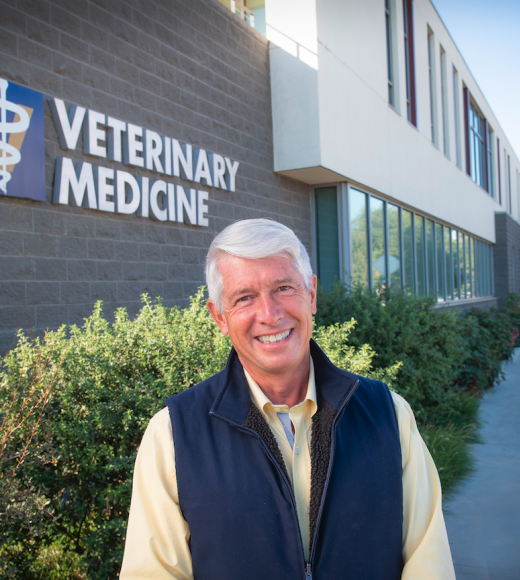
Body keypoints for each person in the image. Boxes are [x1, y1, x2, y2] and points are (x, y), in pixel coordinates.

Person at [120, 218, 455, 580]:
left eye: (283, 287)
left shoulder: (388, 415)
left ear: (311, 295)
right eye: (244, 297)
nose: (270, 314)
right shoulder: (172, 435)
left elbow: (428, 561)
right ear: (219, 316)